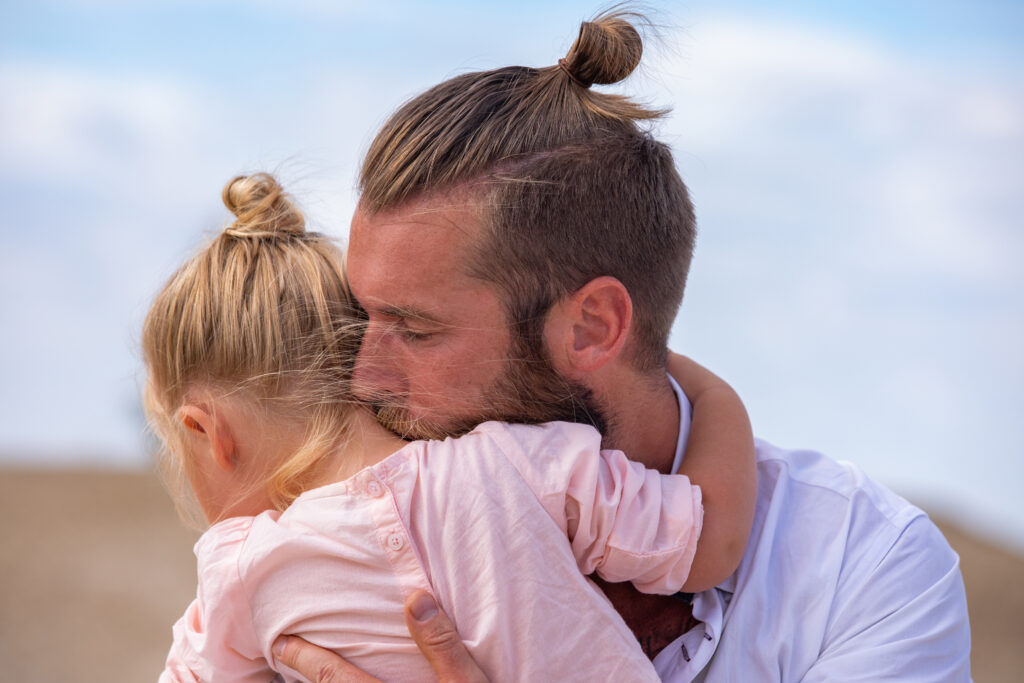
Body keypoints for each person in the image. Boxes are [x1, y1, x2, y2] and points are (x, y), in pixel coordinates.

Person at [276, 8, 972, 682]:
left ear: (592, 327)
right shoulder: (337, 542)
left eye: (417, 329)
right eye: (360, 316)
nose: (365, 378)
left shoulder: (866, 567)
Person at [145, 172, 758, 681]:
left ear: (206, 433)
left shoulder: (239, 578)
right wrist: (717, 397)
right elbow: (706, 546)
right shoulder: (521, 464)